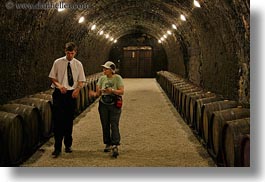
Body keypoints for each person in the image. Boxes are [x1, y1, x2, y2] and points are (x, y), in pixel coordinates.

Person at [48, 42, 86, 158]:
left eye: (72, 53)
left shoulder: (78, 64)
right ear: (65, 51)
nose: (70, 55)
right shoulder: (58, 62)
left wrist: (77, 90)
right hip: (59, 93)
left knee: (69, 121)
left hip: (71, 94)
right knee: (58, 121)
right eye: (68, 53)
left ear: (75, 52)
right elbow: (52, 77)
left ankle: (68, 145)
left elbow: (81, 80)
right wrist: (59, 86)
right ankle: (57, 148)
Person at [89, 61, 124, 158]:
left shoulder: (118, 78)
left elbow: (121, 91)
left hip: (114, 103)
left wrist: (112, 90)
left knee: (114, 124)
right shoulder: (101, 78)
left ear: (111, 70)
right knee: (105, 124)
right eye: (104, 68)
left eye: (106, 69)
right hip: (103, 103)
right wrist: (94, 93)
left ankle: (115, 144)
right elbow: (98, 93)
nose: (104, 70)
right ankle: (107, 143)